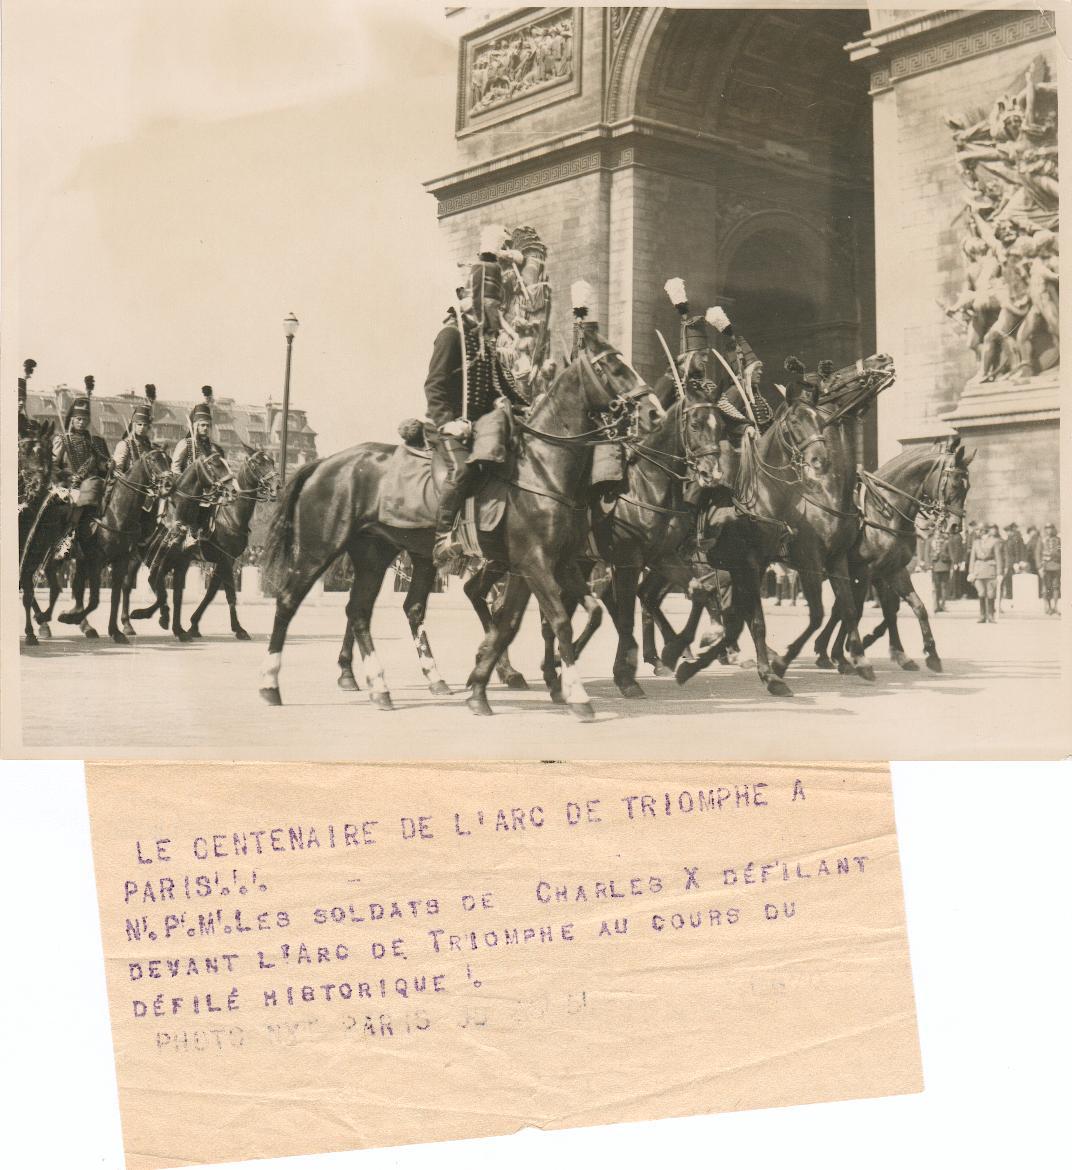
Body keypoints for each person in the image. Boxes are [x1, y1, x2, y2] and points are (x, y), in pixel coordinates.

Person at [426, 227, 527, 566]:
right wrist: (448, 423)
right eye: (496, 303)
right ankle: (443, 538)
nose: (501, 310)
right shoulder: (451, 335)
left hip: (482, 425)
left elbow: (501, 383)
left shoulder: (485, 338)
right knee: (463, 471)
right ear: (481, 301)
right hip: (453, 427)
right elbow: (435, 386)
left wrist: (521, 404)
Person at [51, 377, 112, 549]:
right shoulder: (63, 440)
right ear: (71, 419)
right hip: (68, 484)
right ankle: (68, 536)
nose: (82, 422)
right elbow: (54, 465)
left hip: (90, 484)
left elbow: (100, 466)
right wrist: (69, 476)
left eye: (85, 419)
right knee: (81, 495)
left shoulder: (94, 442)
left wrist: (107, 466)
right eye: (78, 419)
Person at [170, 386, 227, 548]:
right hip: (185, 490)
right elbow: (175, 467)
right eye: (202, 425)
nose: (205, 428)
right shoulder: (185, 444)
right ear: (195, 426)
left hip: (207, 491)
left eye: (208, 426)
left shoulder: (213, 448)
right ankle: (180, 534)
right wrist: (183, 484)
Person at [113, 385, 157, 473]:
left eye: (145, 425)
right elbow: (117, 470)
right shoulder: (124, 445)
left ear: (148, 427)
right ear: (134, 425)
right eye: (139, 424)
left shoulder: (149, 447)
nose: (142, 427)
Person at [969, 522, 1005, 622]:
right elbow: (972, 558)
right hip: (978, 569)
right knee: (981, 592)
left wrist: (999, 573)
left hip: (990, 568)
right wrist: (971, 571)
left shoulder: (994, 541)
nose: (979, 532)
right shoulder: (976, 542)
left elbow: (998, 558)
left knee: (990, 593)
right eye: (978, 531)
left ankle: (990, 615)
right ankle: (982, 615)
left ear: (985, 531)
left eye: (980, 530)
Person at [926, 526, 954, 612]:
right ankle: (936, 606)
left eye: (939, 533)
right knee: (935, 587)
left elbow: (951, 555)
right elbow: (926, 554)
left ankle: (943, 605)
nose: (938, 535)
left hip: (945, 567)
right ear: (934, 533)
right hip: (934, 567)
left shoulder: (946, 542)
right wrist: (928, 566)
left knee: (944, 587)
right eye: (936, 533)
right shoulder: (930, 541)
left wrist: (951, 566)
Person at [1001, 521, 1026, 602]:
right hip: (1008, 563)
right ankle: (1009, 594)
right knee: (1008, 579)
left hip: (1013, 563)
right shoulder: (1009, 539)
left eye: (1009, 531)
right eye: (1006, 531)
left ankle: (1011, 595)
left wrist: (1017, 562)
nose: (1008, 533)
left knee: (1012, 579)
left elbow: (1018, 551)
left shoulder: (1016, 539)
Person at [1040, 523, 1061, 614]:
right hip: (1046, 567)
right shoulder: (1042, 540)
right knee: (1047, 587)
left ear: (1054, 529)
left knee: (1056, 587)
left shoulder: (1058, 540)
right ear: (1045, 530)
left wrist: (1054, 555)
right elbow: (1038, 553)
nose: (1049, 530)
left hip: (1056, 566)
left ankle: (1055, 606)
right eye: (1047, 529)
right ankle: (1048, 607)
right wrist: (1039, 566)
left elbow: (1061, 551)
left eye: (1051, 528)